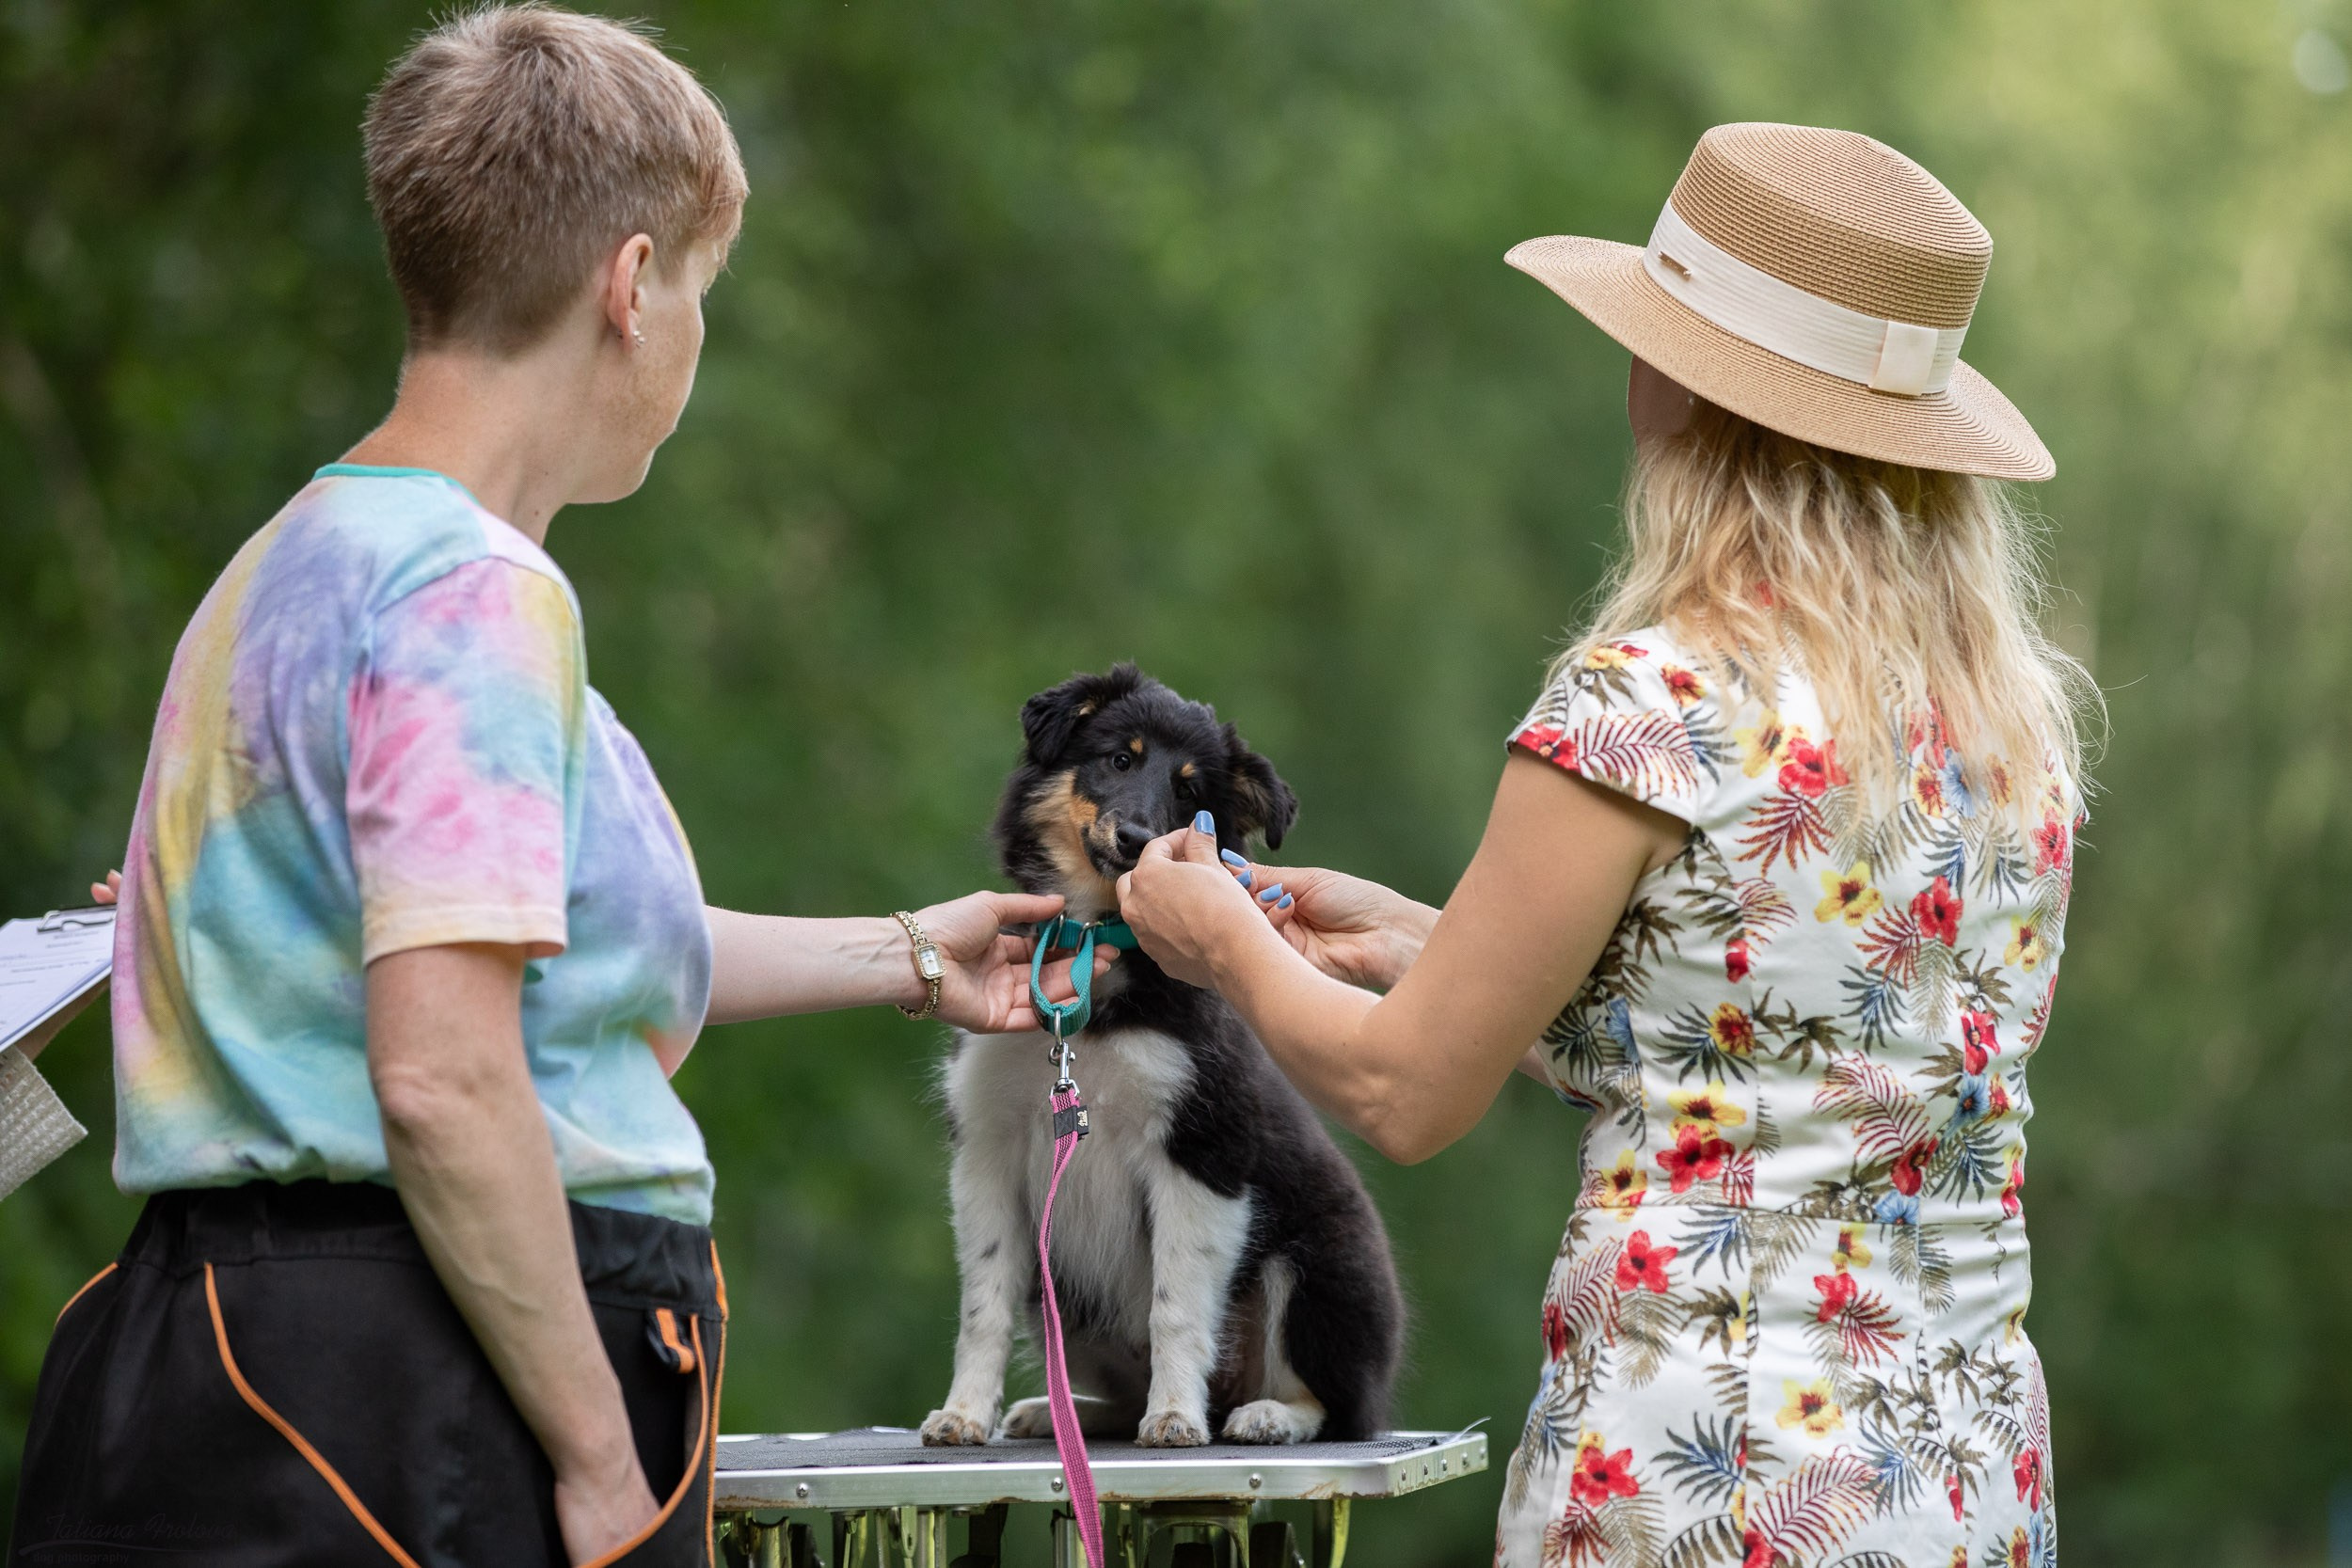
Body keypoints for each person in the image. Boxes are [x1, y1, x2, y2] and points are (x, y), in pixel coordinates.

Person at [6, 11, 1104, 1568]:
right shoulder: (472, 600)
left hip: (231, 1364)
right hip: (413, 1389)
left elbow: (544, 957)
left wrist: (916, 957)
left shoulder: (293, 566)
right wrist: (599, 1460)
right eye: (704, 292)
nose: (696, 337)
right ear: (632, 284)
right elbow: (446, 1077)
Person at [1119, 123, 2093, 1567]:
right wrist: (1428, 947)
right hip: (1957, 1473)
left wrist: (1227, 948)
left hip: (1709, 1473)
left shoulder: (1652, 699)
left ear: (1683, 389)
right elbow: (1782, 1067)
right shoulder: (2006, 732)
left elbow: (1402, 1091)